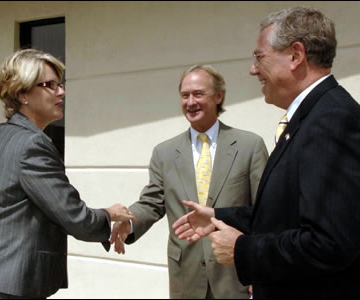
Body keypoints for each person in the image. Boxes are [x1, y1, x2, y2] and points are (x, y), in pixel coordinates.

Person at [173, 6, 360, 299]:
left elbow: (330, 244)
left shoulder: (333, 122)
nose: (252, 69)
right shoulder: (313, 117)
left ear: (296, 56)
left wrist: (243, 250)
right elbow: (285, 215)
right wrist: (218, 216)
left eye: (259, 57)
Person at [0, 49, 136, 299]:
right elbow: (74, 217)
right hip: (14, 287)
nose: (61, 92)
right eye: (50, 85)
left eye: (60, 84)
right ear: (23, 93)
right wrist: (110, 214)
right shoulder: (32, 143)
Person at [110, 65, 268, 298]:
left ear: (219, 96)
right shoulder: (164, 153)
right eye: (185, 95)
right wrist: (129, 222)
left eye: (198, 94)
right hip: (186, 278)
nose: (190, 102)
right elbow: (151, 203)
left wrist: (260, 270)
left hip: (234, 276)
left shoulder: (249, 146)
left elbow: (264, 212)